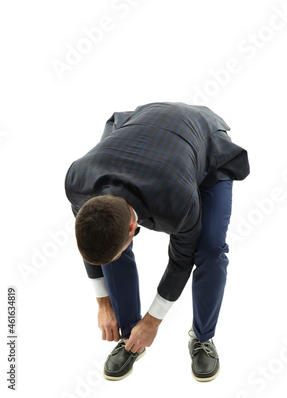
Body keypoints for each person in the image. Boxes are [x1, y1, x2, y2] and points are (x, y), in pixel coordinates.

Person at [64, 101, 250, 382]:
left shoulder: (177, 203)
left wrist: (153, 321)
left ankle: (202, 338)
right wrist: (103, 303)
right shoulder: (78, 181)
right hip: (140, 127)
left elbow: (181, 260)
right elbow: (92, 244)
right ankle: (131, 339)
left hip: (204, 139)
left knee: (210, 249)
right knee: (107, 242)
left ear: (133, 226)